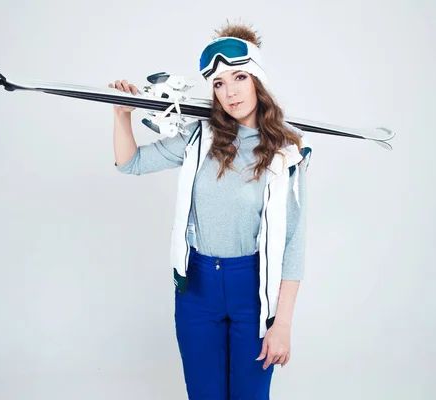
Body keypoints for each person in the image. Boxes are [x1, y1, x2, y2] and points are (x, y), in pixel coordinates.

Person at [109, 22, 312, 400]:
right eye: (218, 83)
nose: (230, 91)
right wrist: (123, 115)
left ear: (257, 79)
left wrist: (282, 323)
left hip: (253, 289)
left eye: (239, 77)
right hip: (197, 288)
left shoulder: (286, 153)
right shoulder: (198, 138)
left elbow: (293, 244)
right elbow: (130, 162)